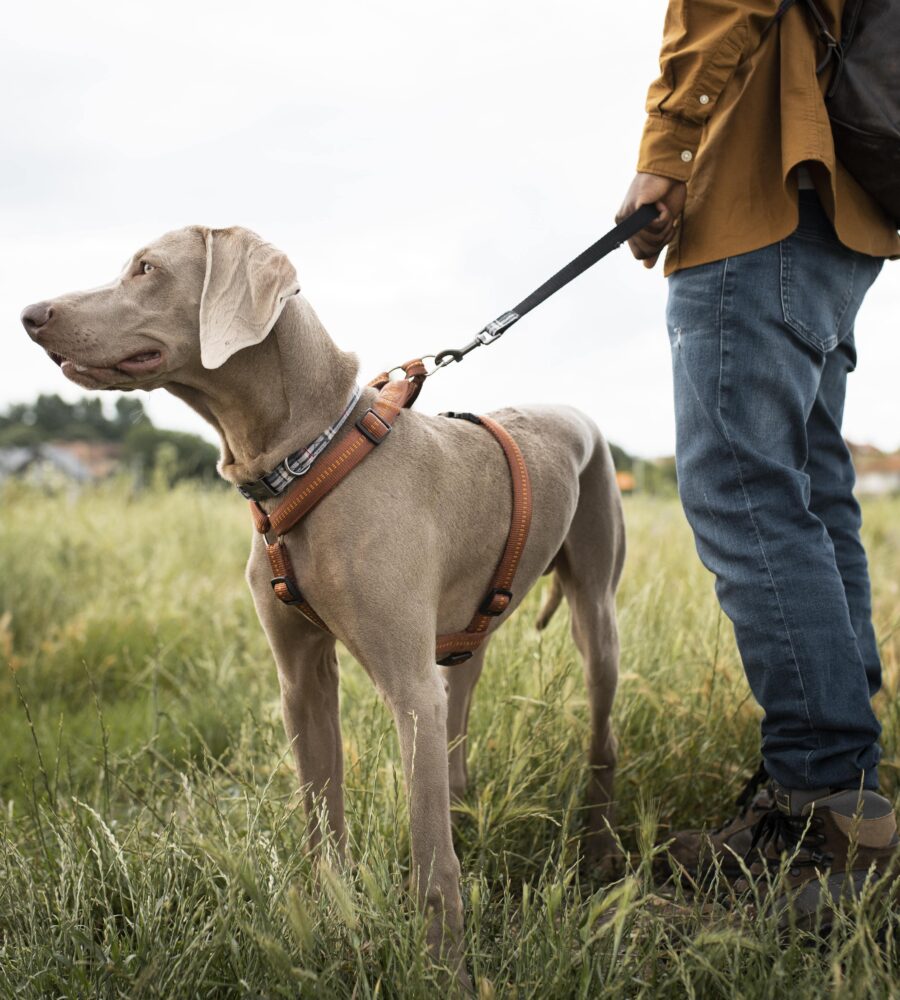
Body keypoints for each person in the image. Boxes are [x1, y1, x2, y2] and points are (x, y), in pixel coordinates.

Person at [617, 0, 899, 913]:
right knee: (812, 495)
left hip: (762, 192)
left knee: (746, 496)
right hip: (840, 205)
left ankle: (826, 812)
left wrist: (666, 151)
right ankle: (849, 786)